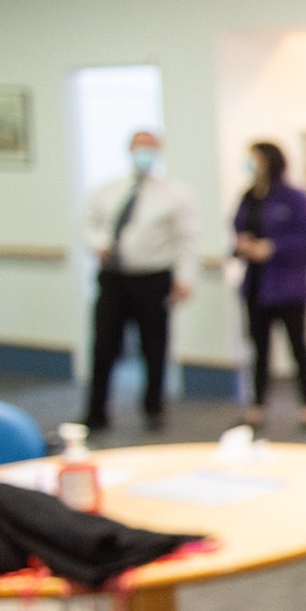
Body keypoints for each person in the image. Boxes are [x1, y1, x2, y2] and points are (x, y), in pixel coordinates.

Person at [81, 129, 198, 433]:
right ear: (129, 150)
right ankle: (96, 412)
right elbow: (88, 224)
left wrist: (185, 277)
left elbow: (187, 239)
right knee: (104, 346)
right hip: (114, 278)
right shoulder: (107, 190)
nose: (144, 154)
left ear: (159, 152)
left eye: (150, 148)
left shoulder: (175, 192)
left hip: (153, 278)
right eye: (139, 148)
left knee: (154, 348)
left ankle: (153, 408)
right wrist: (98, 243)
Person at [233, 141, 306, 430]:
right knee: (259, 349)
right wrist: (242, 245)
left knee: (298, 347)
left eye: (254, 159)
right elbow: (237, 230)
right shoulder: (248, 198)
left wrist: (272, 248)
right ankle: (257, 405)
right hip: (256, 286)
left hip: (288, 287)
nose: (250, 165)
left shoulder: (293, 198)